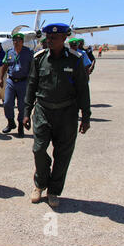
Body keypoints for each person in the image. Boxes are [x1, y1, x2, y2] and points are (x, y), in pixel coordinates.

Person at [23, 23, 91, 208]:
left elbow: (83, 90)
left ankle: (53, 191)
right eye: (47, 38)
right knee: (38, 149)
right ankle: (40, 184)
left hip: (67, 113)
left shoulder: (75, 60)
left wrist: (86, 117)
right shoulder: (39, 59)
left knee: (63, 154)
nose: (49, 40)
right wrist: (26, 112)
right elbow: (31, 86)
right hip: (43, 111)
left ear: (64, 38)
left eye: (54, 38)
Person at [0, 33, 33, 138]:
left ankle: (20, 127)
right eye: (14, 40)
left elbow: (33, 67)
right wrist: (1, 78)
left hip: (23, 82)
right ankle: (11, 122)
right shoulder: (9, 52)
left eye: (18, 40)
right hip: (11, 81)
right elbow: (5, 65)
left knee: (22, 106)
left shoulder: (28, 53)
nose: (16, 42)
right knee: (7, 103)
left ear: (22, 41)